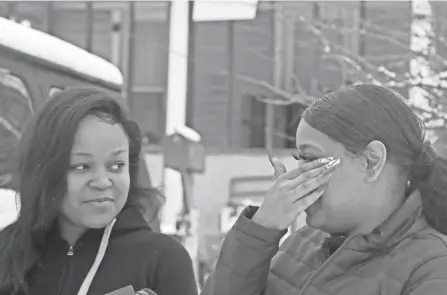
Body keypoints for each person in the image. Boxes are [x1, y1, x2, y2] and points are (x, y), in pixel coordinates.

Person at [202, 84, 447, 295]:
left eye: (310, 158)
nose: (298, 176)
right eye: (299, 159)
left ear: (371, 161)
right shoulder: (304, 241)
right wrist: (260, 230)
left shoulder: (432, 266)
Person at [0, 87, 198, 295]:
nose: (103, 182)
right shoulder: (8, 252)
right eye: (81, 166)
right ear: (46, 171)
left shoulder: (161, 260)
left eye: (116, 166)